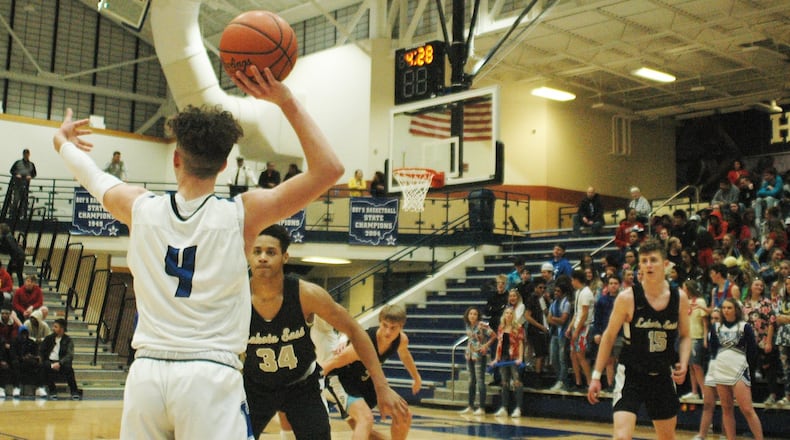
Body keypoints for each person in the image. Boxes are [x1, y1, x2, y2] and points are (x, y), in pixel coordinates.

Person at [52, 64, 348, 439]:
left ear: (176, 158)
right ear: (225, 165)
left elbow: (91, 175)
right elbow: (329, 169)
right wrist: (284, 99)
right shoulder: (242, 215)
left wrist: (61, 141)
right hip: (209, 376)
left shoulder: (138, 207)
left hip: (146, 376)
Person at [243, 225, 406, 439]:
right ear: (249, 255)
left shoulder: (306, 294)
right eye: (257, 251)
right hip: (256, 387)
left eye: (270, 252)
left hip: (301, 386)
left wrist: (381, 385)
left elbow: (355, 331)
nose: (263, 258)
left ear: (285, 257)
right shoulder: (236, 296)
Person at [587, 238, 691, 440]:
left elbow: (686, 336)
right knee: (622, 436)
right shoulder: (627, 298)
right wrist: (596, 376)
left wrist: (684, 363)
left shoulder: (679, 297)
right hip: (631, 373)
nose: (648, 265)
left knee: (667, 437)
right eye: (644, 261)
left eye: (653, 260)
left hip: (662, 373)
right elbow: (608, 337)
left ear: (664, 264)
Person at [323, 304, 421, 440]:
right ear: (379, 322)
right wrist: (309, 384)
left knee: (404, 414)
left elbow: (405, 355)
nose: (388, 332)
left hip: (367, 380)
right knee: (365, 420)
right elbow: (332, 363)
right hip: (342, 380)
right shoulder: (364, 343)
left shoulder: (401, 340)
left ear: (401, 327)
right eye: (384, 325)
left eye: (393, 328)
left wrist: (416, 377)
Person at [707, 298, 763, 440]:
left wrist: (748, 367)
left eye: (729, 308)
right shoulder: (715, 327)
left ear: (736, 310)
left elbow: (752, 352)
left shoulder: (745, 327)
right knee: (726, 408)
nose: (726, 310)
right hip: (721, 370)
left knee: (747, 409)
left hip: (739, 370)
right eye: (724, 308)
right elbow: (713, 351)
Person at [459, 306, 496, 416]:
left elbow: (494, 336)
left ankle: (482, 407)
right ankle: (470, 406)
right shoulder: (468, 325)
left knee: (480, 380)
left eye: (475, 314)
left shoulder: (482, 325)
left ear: (478, 316)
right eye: (470, 314)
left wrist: (486, 345)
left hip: (479, 354)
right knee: (471, 381)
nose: (472, 316)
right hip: (469, 354)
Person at [587, 274, 621, 389]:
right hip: (606, 334)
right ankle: (611, 385)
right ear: (607, 285)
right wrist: (597, 333)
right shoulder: (602, 300)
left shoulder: (623, 300)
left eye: (615, 283)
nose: (613, 286)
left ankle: (620, 385)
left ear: (619, 285)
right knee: (609, 361)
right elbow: (598, 318)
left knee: (620, 361)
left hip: (621, 335)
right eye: (611, 283)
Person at [491, 307, 525, 418]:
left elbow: (520, 343)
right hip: (503, 358)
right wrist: (496, 358)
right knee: (504, 382)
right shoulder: (501, 328)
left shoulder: (518, 327)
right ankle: (504, 407)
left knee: (516, 381)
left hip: (514, 357)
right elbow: (499, 344)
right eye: (507, 313)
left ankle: (518, 408)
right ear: (504, 315)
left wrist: (520, 357)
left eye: (511, 313)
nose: (509, 315)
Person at [38, 318, 81, 400]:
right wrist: (48, 362)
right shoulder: (48, 338)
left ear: (62, 329)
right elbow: (41, 351)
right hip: (50, 362)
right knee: (44, 367)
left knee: (69, 369)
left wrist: (60, 363)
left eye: (55, 327)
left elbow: (69, 355)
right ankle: (52, 391)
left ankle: (74, 391)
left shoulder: (68, 340)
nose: (53, 328)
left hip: (62, 362)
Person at [681, 279, 707, 401]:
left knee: (697, 365)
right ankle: (694, 392)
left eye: (684, 287)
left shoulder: (700, 301)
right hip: (687, 337)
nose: (682, 289)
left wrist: (706, 338)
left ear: (689, 288)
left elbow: (705, 322)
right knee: (690, 366)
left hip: (698, 336)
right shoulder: (685, 302)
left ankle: (704, 392)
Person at [568, 269, 594, 390]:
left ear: (576, 280)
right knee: (573, 354)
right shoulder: (578, 292)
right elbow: (577, 313)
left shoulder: (586, 293)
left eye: (572, 280)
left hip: (584, 327)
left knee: (580, 355)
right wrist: (570, 327)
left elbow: (584, 314)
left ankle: (589, 382)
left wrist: (577, 331)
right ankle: (578, 381)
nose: (571, 282)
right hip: (577, 326)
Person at [547, 278, 571, 391]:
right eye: (555, 291)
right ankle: (559, 379)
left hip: (563, 334)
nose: (555, 293)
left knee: (562, 359)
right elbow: (549, 319)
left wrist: (554, 319)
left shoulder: (566, 303)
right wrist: (556, 319)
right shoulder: (553, 303)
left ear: (563, 293)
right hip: (554, 334)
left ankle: (563, 381)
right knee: (553, 358)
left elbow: (563, 321)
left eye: (558, 291)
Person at [8, 148, 37, 220]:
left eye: (27, 154)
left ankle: (23, 217)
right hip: (17, 184)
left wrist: (30, 176)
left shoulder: (31, 164)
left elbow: (34, 173)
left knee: (24, 201)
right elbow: (12, 171)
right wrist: (16, 174)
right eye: (25, 154)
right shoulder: (18, 162)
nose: (26, 155)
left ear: (29, 155)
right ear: (23, 154)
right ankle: (13, 216)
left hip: (26, 185)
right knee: (16, 200)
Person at [11, 325, 39, 398]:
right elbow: (13, 354)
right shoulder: (14, 341)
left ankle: (38, 387)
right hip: (17, 361)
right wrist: (22, 358)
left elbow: (36, 354)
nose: (24, 336)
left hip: (28, 361)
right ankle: (16, 387)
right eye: (22, 334)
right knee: (15, 364)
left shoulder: (31, 342)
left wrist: (31, 356)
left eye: (25, 333)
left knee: (37, 365)